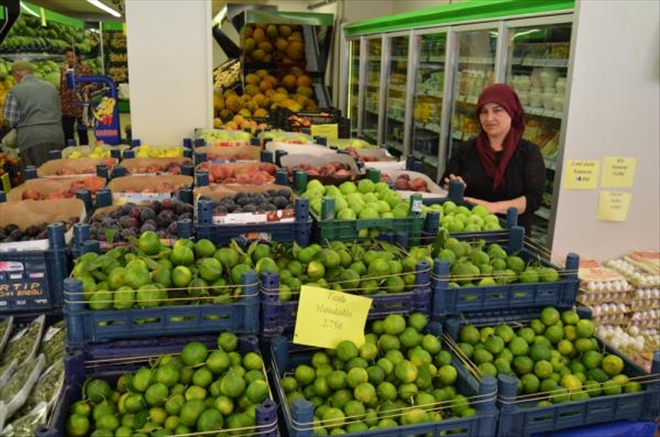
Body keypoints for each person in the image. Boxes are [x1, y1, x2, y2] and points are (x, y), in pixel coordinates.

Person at [440, 83, 546, 234]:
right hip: (467, 233)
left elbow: (533, 199)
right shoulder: (466, 150)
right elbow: (443, 187)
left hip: (512, 237)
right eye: (484, 112)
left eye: (497, 111)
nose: (489, 118)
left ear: (512, 112)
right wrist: (454, 187)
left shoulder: (528, 153)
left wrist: (492, 207)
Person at [3, 60, 65, 168]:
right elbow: (59, 111)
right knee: (57, 172)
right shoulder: (51, 87)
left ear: (16, 75)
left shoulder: (15, 91)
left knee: (36, 176)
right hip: (56, 136)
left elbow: (11, 121)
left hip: (31, 140)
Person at [60, 46, 93, 146]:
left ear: (78, 57)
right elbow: (62, 86)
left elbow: (94, 84)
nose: (70, 59)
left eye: (72, 57)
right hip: (67, 106)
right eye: (68, 57)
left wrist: (88, 87)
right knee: (67, 133)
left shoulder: (85, 69)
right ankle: (70, 152)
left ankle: (84, 154)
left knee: (82, 133)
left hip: (81, 106)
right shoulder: (63, 70)